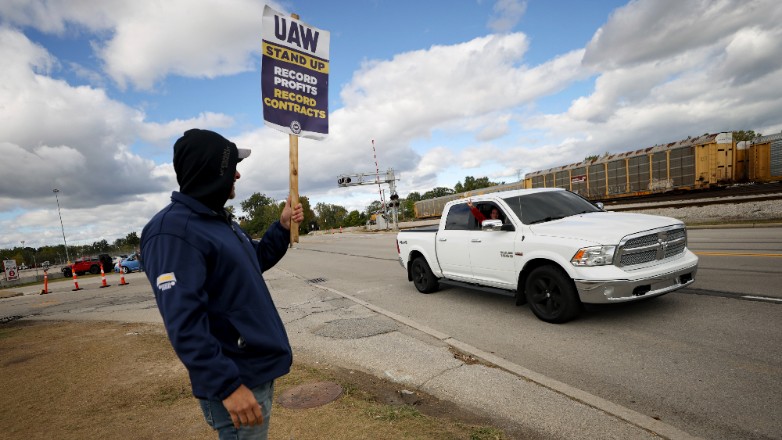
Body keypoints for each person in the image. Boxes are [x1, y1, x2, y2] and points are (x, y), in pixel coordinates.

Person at [141, 128, 304, 439]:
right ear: (214, 171)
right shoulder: (173, 232)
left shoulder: (217, 221)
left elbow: (253, 261)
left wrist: (282, 228)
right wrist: (226, 386)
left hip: (253, 370)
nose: (238, 175)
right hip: (236, 379)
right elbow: (184, 322)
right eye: (232, 167)